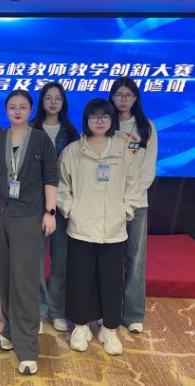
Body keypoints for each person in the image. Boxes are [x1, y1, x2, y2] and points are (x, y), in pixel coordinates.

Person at [0, 90, 58, 376]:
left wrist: (50, 212)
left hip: (29, 217)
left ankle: (27, 349)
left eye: (23, 106)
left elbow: (51, 176)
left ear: (30, 109)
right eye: (12, 106)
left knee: (24, 282)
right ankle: (11, 331)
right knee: (4, 277)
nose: (17, 111)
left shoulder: (40, 139)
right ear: (6, 109)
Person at [58, 99, 141, 356]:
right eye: (94, 116)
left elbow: (133, 184)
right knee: (80, 278)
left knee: (111, 280)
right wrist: (71, 210)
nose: (100, 121)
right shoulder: (73, 151)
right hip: (81, 227)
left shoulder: (123, 150)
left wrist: (125, 211)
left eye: (104, 116)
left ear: (111, 119)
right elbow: (62, 186)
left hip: (113, 229)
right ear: (86, 120)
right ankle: (80, 327)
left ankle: (109, 329)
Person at [109, 77, 158, 334]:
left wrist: (129, 199)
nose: (123, 99)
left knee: (135, 259)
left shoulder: (146, 127)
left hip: (137, 203)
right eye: (119, 94)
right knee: (110, 260)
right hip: (108, 202)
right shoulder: (106, 124)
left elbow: (147, 169)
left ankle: (133, 314)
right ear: (112, 97)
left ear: (136, 98)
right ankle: (109, 311)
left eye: (128, 95)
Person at [30, 82, 80, 334]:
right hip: (34, 203)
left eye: (57, 98)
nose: (52, 102)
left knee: (61, 260)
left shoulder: (71, 131)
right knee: (35, 260)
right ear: (41, 101)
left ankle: (57, 310)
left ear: (63, 102)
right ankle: (37, 311)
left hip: (63, 204)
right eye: (48, 98)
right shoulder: (30, 128)